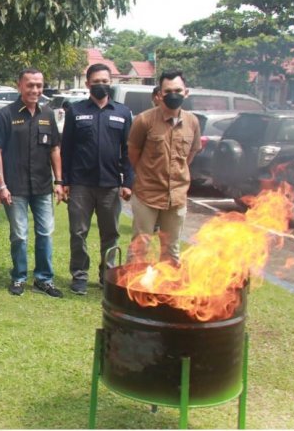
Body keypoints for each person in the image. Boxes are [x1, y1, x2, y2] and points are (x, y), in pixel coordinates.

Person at [60, 63, 133, 295]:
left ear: (109, 82)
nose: (101, 84)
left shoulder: (122, 112)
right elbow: (66, 149)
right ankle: (79, 275)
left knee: (110, 233)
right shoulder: (76, 110)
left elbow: (128, 152)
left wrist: (128, 183)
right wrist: (64, 182)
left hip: (111, 185)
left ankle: (107, 275)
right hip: (81, 184)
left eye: (105, 80)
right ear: (88, 83)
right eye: (96, 81)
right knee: (78, 232)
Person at [0, 68, 64, 298]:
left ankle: (44, 279)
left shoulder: (48, 113)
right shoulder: (6, 115)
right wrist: (1, 185)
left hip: (43, 186)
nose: (35, 90)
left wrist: (59, 181)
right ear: (19, 86)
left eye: (39, 85)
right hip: (15, 187)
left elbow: (55, 148)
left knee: (45, 233)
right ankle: (19, 277)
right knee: (20, 234)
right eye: (30, 85)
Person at [127, 70, 201, 265]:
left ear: (186, 92)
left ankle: (167, 292)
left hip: (176, 197)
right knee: (139, 248)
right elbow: (133, 154)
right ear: (159, 94)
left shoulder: (192, 122)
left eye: (178, 90)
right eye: (168, 91)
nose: (173, 95)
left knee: (171, 250)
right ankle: (130, 293)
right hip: (147, 195)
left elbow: (190, 154)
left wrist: (177, 174)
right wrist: (147, 174)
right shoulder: (144, 120)